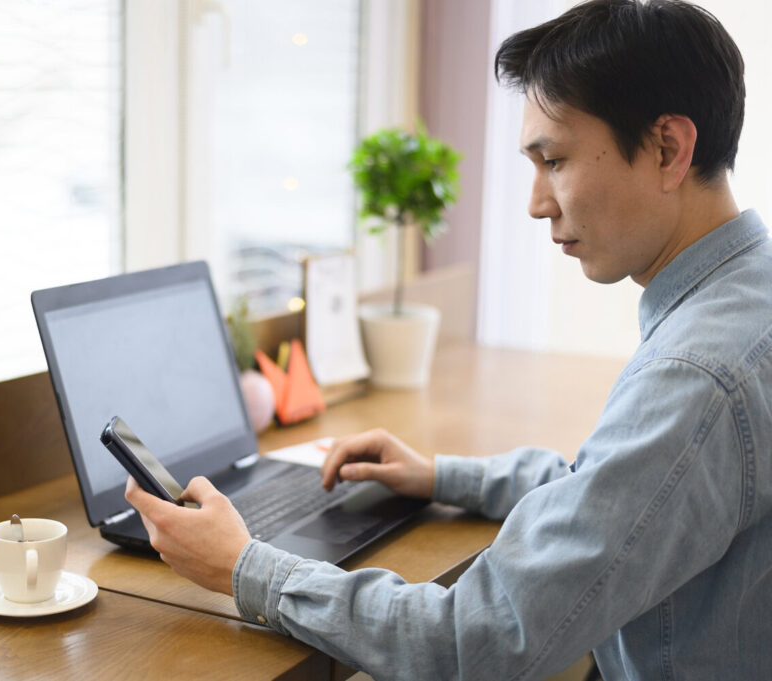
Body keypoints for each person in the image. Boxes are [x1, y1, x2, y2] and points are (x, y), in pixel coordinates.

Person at [126, 1, 772, 679]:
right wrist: (441, 477)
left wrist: (243, 565)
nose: (537, 202)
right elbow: (616, 490)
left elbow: (472, 640)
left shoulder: (697, 377)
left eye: (554, 160)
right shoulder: (744, 300)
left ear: (668, 149)